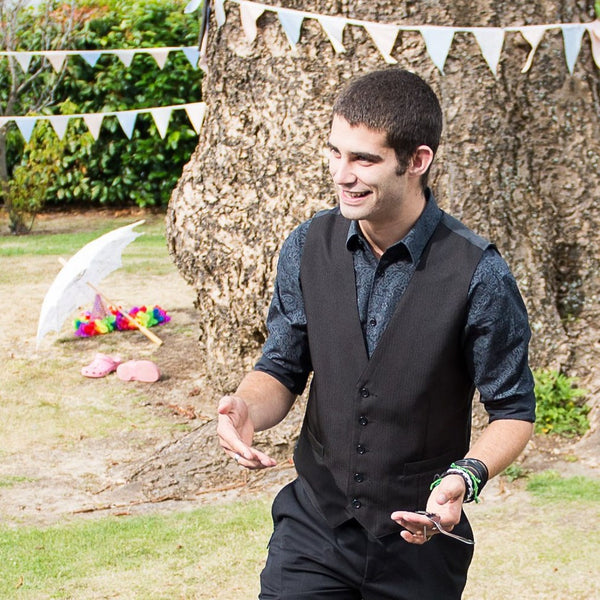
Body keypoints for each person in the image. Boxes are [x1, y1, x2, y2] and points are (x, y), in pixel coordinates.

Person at [217, 68, 536, 599]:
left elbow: (513, 411)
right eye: (335, 153)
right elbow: (281, 365)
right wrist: (249, 407)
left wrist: (464, 478)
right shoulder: (306, 245)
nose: (343, 174)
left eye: (364, 159)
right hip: (314, 529)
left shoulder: (479, 271)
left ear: (417, 161)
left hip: (420, 546)